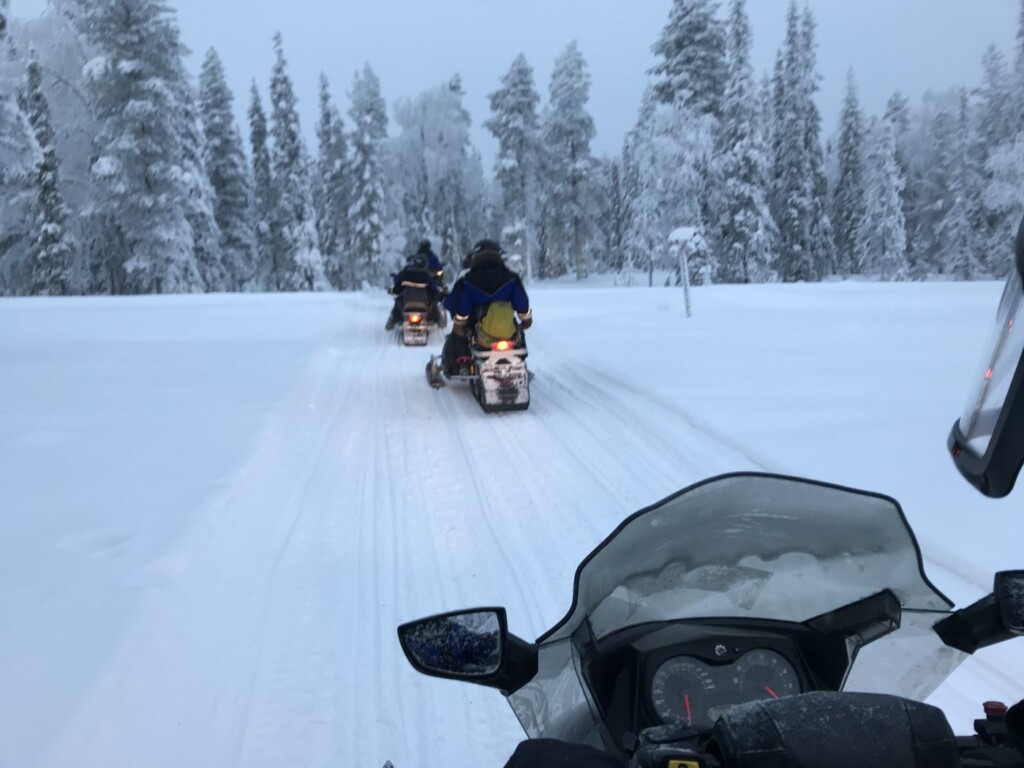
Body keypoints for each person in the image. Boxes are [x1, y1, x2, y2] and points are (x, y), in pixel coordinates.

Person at [440, 239, 532, 376]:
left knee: (459, 332)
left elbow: (462, 306)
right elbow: (522, 303)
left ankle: (463, 363)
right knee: (517, 329)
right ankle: (520, 360)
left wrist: (459, 323)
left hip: (479, 331)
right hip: (506, 329)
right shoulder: (511, 278)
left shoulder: (468, 280)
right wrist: (526, 320)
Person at [386, 251, 440, 330]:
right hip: (424, 304)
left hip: (407, 303)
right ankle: (433, 319)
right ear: (425, 264)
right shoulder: (427, 276)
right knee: (434, 304)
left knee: (397, 301)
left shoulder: (406, 273)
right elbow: (434, 291)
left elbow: (398, 288)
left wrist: (394, 291)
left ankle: (394, 319)